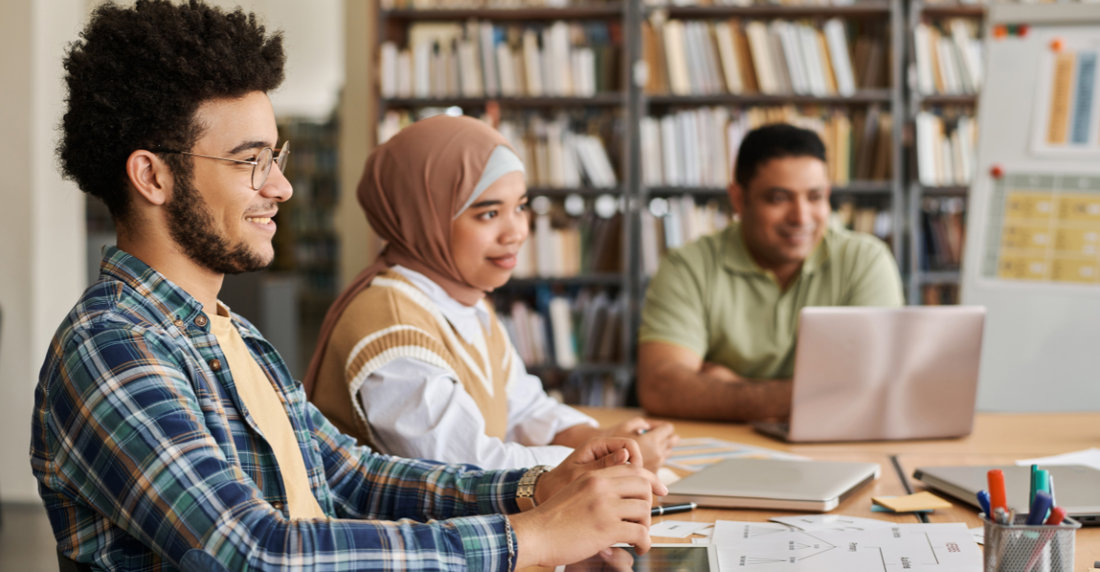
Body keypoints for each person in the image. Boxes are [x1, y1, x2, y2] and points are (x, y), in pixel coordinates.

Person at [31, 2, 666, 570]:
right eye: (250, 161)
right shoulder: (111, 349)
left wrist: (536, 490)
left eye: (274, 159)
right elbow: (256, 553)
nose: (278, 187)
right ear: (152, 176)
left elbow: (350, 477)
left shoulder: (233, 334)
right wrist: (531, 538)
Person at [304, 115, 677, 473]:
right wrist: (602, 459)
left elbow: (525, 410)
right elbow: (470, 469)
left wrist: (603, 439)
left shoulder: (465, 302)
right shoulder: (390, 328)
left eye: (521, 207)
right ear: (424, 218)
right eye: (488, 214)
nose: (515, 232)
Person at [636, 123, 904, 422]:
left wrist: (732, 386)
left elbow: (877, 389)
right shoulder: (688, 266)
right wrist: (816, 394)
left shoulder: (865, 261)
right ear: (739, 199)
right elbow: (661, 387)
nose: (801, 217)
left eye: (815, 197)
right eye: (778, 198)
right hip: (724, 452)